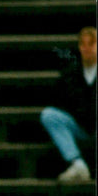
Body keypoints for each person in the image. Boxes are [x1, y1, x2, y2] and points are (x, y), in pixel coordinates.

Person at [40, 26, 96, 182]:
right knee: (49, 115)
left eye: (91, 44)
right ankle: (77, 163)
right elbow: (59, 99)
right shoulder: (71, 72)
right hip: (79, 124)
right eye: (83, 44)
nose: (87, 48)